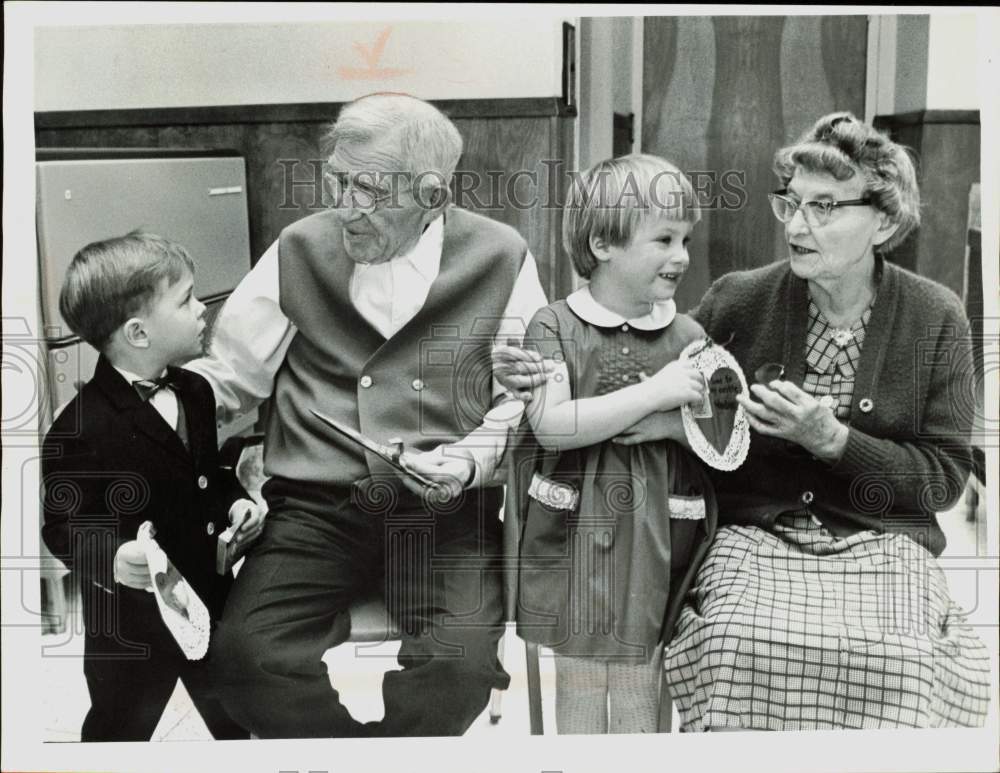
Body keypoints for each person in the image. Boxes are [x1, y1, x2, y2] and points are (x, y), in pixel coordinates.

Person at [499, 112, 992, 730]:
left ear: (884, 221)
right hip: (757, 533)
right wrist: (535, 378)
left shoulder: (935, 317)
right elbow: (670, 387)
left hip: (882, 540)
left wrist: (835, 441)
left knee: (905, 657)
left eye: (826, 207)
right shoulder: (738, 299)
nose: (798, 224)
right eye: (792, 203)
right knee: (733, 643)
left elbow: (944, 480)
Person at [186, 93, 548, 738]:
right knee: (245, 658)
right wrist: (150, 408)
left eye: (370, 190)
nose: (347, 207)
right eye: (339, 182)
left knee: (460, 665)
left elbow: (520, 398)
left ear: (433, 195)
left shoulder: (501, 254)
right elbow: (233, 376)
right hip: (313, 510)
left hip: (445, 514)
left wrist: (466, 461)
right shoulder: (299, 247)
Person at [514, 154, 718, 733]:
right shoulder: (552, 326)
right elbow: (553, 423)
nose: (681, 256)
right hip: (575, 536)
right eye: (663, 239)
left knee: (641, 689)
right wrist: (656, 392)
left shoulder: (688, 335)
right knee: (579, 685)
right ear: (604, 242)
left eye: (684, 239)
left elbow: (718, 439)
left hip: (656, 536)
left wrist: (674, 422)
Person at [41, 232, 264, 741]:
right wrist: (114, 557)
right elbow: (62, 526)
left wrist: (236, 505)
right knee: (117, 732)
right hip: (130, 626)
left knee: (234, 717)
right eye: (186, 299)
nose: (204, 308)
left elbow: (209, 476)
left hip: (210, 600)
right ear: (139, 333)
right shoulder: (80, 428)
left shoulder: (196, 391)